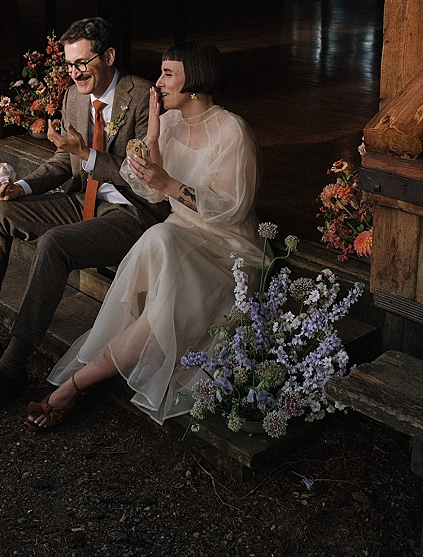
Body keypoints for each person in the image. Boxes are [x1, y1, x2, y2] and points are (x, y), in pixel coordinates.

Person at [0, 17, 170, 419]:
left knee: (55, 243)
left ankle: (11, 369)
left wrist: (86, 154)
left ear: (108, 56)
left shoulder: (141, 96)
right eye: (69, 65)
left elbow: (138, 174)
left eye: (82, 63)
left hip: (130, 210)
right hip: (82, 198)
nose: (75, 73)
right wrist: (23, 188)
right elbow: (61, 159)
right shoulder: (73, 96)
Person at [25, 39, 269, 430]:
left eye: (168, 74)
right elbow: (149, 191)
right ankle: (84, 378)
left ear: (196, 80)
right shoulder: (169, 123)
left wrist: (170, 182)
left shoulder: (233, 131)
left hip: (228, 252)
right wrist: (154, 139)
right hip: (176, 237)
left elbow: (231, 210)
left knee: (159, 241)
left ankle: (76, 384)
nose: (157, 83)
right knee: (160, 242)